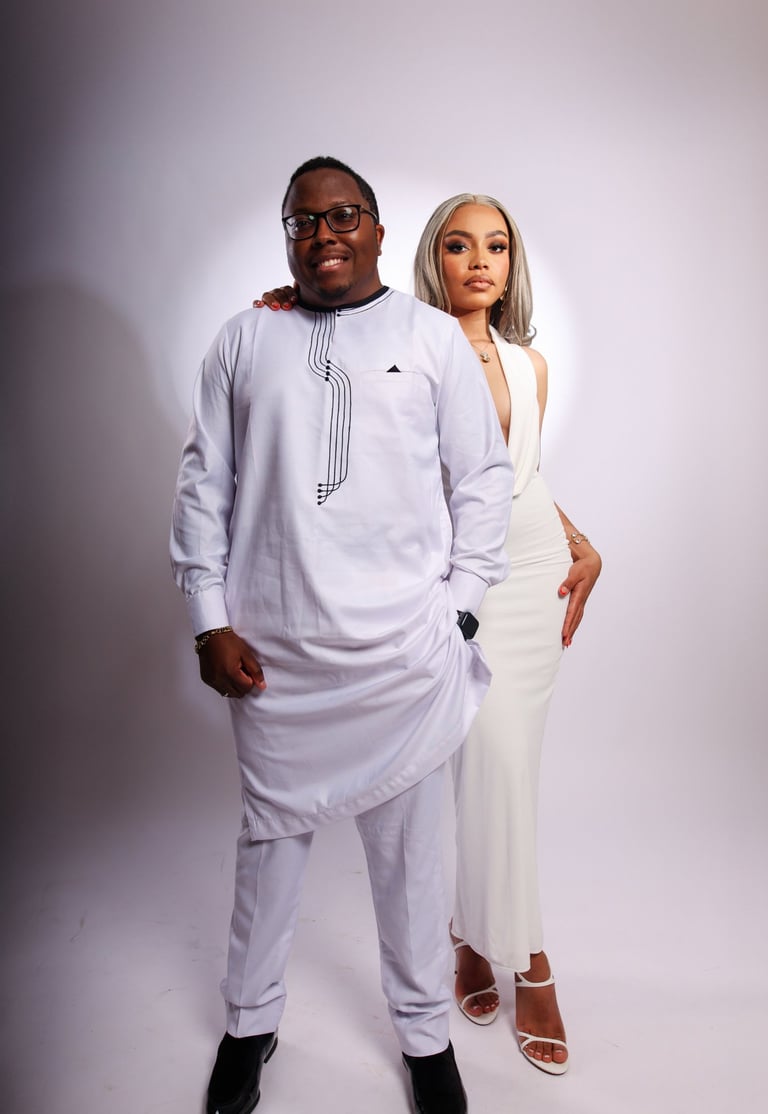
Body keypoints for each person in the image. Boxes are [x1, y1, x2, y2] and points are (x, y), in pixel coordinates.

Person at [171, 158, 514, 1114]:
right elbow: (203, 486)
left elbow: (483, 477)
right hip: (277, 657)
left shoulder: (430, 338)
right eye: (303, 221)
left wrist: (462, 605)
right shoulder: (246, 338)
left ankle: (425, 1038)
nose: (323, 235)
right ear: (288, 235)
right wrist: (209, 619)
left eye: (343, 216)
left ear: (376, 229)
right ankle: (249, 1024)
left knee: (411, 862)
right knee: (270, 848)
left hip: (404, 653)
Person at [256, 193, 602, 1076]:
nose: (479, 260)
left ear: (512, 265)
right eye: (458, 244)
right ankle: (501, 949)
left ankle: (499, 947)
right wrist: (291, 305)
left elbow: (517, 474)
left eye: (496, 246)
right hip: (445, 583)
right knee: (471, 770)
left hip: (533, 578)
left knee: (505, 771)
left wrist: (578, 540)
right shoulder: (403, 345)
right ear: (430, 257)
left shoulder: (531, 365)